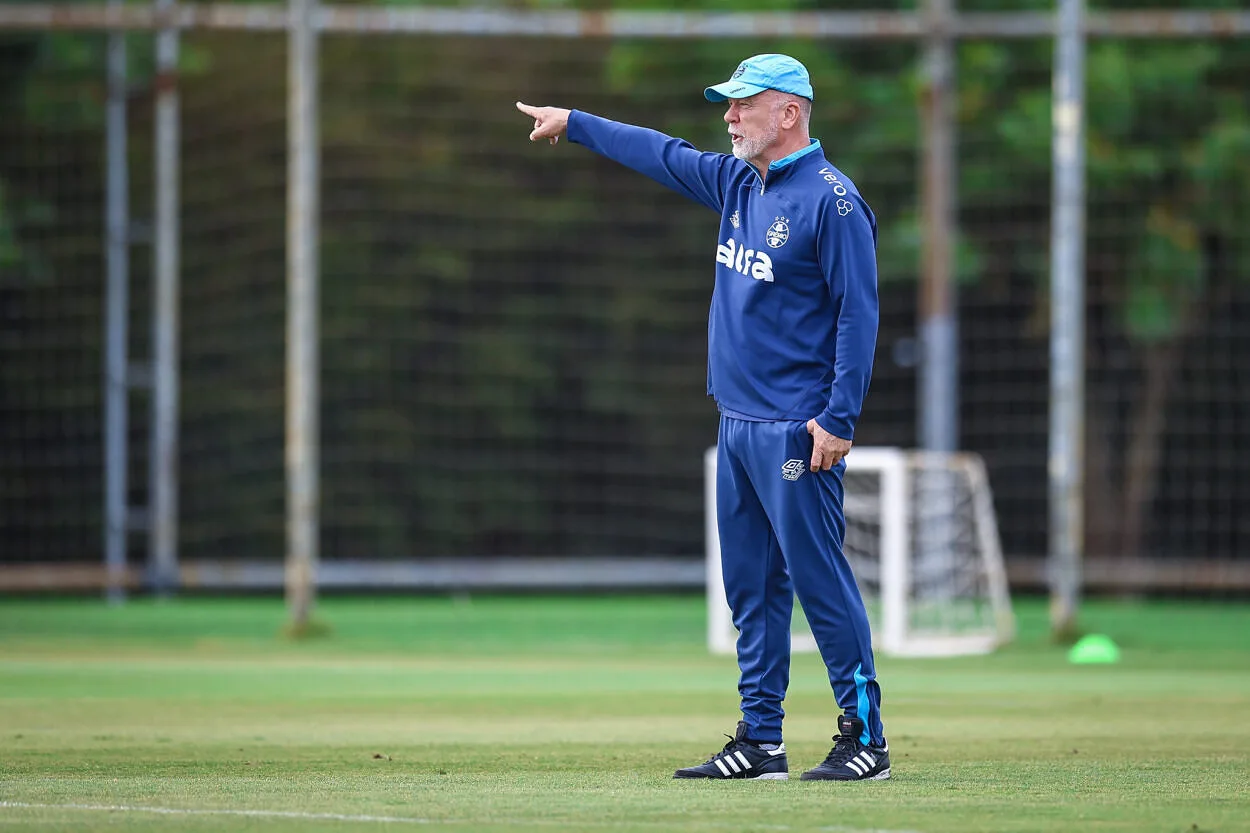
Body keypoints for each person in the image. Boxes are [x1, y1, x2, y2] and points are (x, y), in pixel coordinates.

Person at [515, 53, 889, 783]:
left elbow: (859, 316)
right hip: (737, 423)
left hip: (796, 429)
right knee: (751, 591)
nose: (729, 116)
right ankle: (761, 740)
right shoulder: (737, 183)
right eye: (728, 103)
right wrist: (578, 124)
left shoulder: (832, 201)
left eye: (743, 104)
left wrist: (838, 418)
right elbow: (662, 153)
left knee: (820, 583)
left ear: (789, 113)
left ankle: (864, 738)